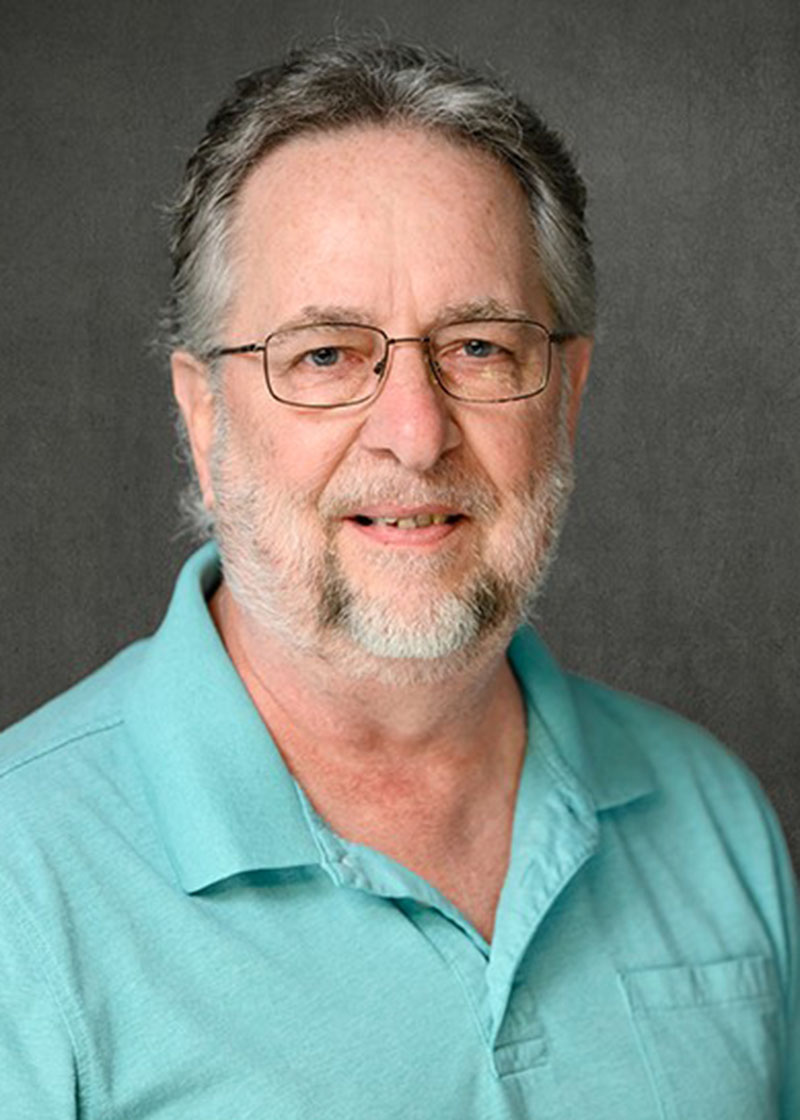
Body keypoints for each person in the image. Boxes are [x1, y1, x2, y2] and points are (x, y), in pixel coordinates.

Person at [0, 39, 796, 1120]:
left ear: (564, 392)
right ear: (201, 414)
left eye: (477, 347)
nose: (416, 436)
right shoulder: (22, 885)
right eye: (324, 354)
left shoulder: (712, 821)